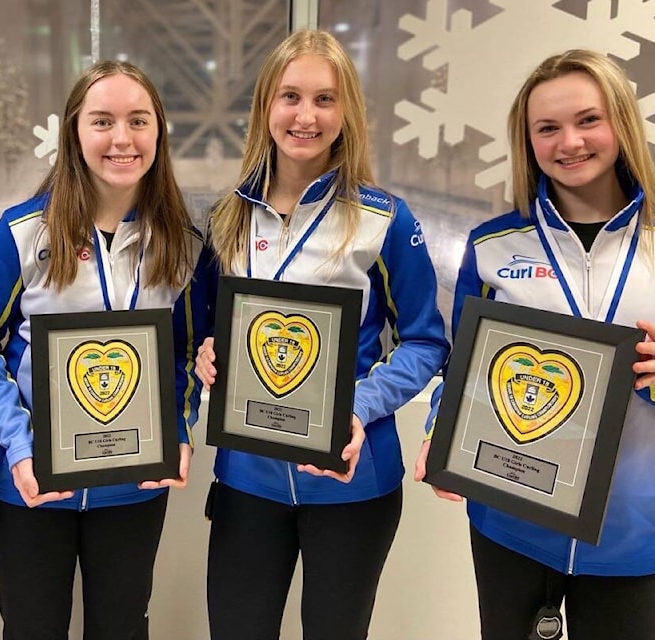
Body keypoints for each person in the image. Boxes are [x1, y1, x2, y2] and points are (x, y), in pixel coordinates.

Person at [415, 49, 655, 640]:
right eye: (547, 128)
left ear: (621, 123)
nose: (570, 141)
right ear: (528, 140)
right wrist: (442, 431)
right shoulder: (492, 245)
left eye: (588, 119)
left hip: (630, 536)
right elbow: (463, 364)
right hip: (511, 521)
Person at [194, 30, 449, 639]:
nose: (305, 115)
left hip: (351, 477)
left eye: (325, 99)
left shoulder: (385, 219)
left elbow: (425, 342)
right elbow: (208, 333)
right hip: (247, 478)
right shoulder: (227, 218)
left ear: (346, 114)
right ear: (266, 108)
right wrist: (206, 355)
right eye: (290, 97)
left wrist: (358, 405)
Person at [0, 60, 212, 640]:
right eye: (102, 121)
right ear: (74, 132)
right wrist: (17, 442)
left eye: (138, 121)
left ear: (158, 133)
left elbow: (190, 352)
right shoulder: (21, 235)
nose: (121, 138)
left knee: (122, 625)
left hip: (133, 481)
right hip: (29, 479)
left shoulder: (185, 245)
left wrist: (177, 428)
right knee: (31, 625)